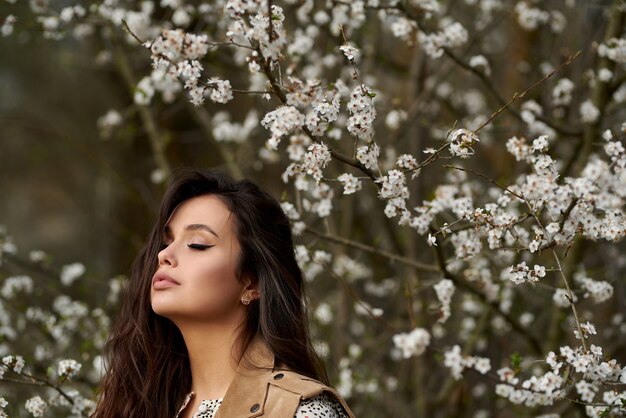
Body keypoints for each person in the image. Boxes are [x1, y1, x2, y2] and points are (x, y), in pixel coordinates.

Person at [91, 168, 355, 418]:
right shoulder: (133, 405)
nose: (164, 255)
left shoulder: (301, 411)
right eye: (166, 242)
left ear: (252, 283)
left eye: (197, 244)